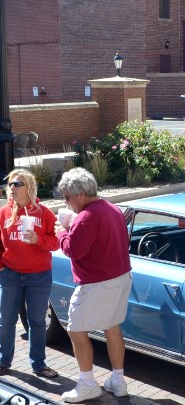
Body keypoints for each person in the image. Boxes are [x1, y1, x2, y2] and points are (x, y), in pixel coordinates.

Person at [55, 168, 132, 403]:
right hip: (120, 278)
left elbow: (74, 250)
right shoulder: (112, 208)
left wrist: (62, 232)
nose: (67, 203)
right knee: (112, 327)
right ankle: (118, 381)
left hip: (97, 283)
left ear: (79, 194)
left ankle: (88, 384)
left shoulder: (87, 217)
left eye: (67, 197)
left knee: (75, 330)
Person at [0, 169, 59, 379]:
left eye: (17, 184)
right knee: (6, 320)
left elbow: (56, 242)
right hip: (10, 274)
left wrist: (38, 240)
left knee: (37, 321)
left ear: (29, 188)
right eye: (11, 184)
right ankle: (3, 361)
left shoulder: (44, 213)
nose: (12, 188)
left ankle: (39, 364)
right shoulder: (4, 212)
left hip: (39, 275)